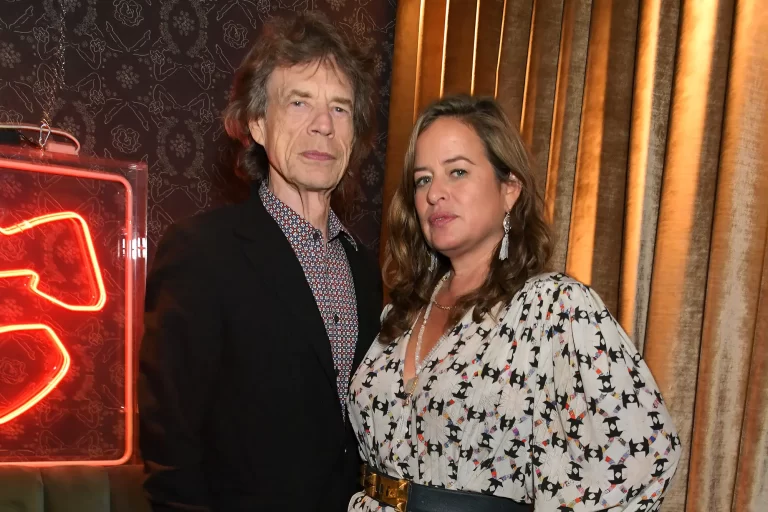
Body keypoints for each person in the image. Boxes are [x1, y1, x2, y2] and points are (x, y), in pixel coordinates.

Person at [348, 95, 681, 511]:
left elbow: (644, 454)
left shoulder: (554, 307)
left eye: (457, 172)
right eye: (423, 179)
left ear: (509, 189)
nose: (435, 194)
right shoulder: (399, 314)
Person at [138, 11, 382, 512]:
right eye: (299, 102)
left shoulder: (365, 268)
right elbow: (171, 447)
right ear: (257, 124)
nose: (323, 125)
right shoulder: (201, 252)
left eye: (340, 108)